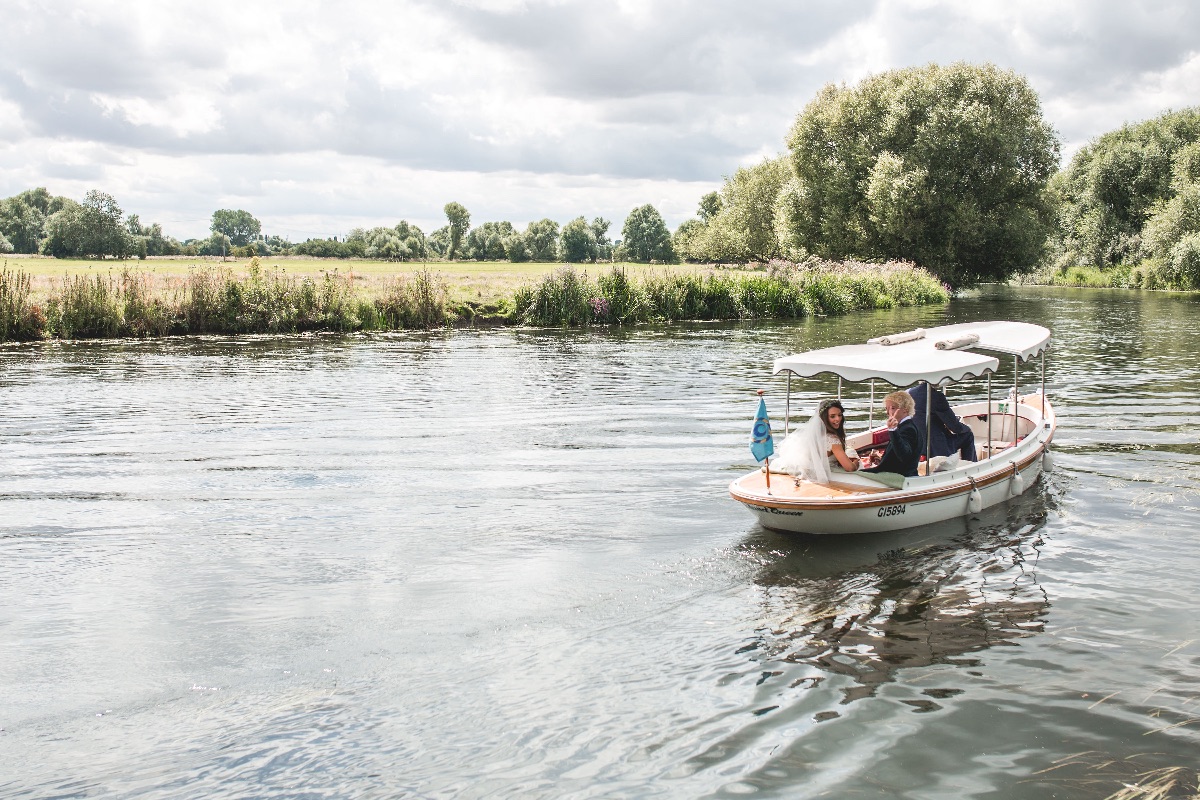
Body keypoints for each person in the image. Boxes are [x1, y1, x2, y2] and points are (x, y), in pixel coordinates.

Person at [771, 398, 860, 482]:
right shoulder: (833, 440)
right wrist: (856, 461)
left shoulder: (815, 434)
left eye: (840, 415)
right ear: (824, 418)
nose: (838, 419)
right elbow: (849, 468)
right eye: (832, 416)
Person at [908, 382, 977, 462]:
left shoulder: (908, 393)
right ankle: (969, 465)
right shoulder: (937, 397)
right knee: (968, 435)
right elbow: (955, 427)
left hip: (915, 443)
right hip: (935, 447)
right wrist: (967, 428)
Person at [861, 390, 923, 478]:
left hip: (898, 476)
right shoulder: (907, 426)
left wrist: (892, 430)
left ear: (905, 409)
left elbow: (904, 455)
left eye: (892, 408)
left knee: (852, 475)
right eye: (887, 408)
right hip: (895, 472)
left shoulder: (908, 429)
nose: (887, 412)